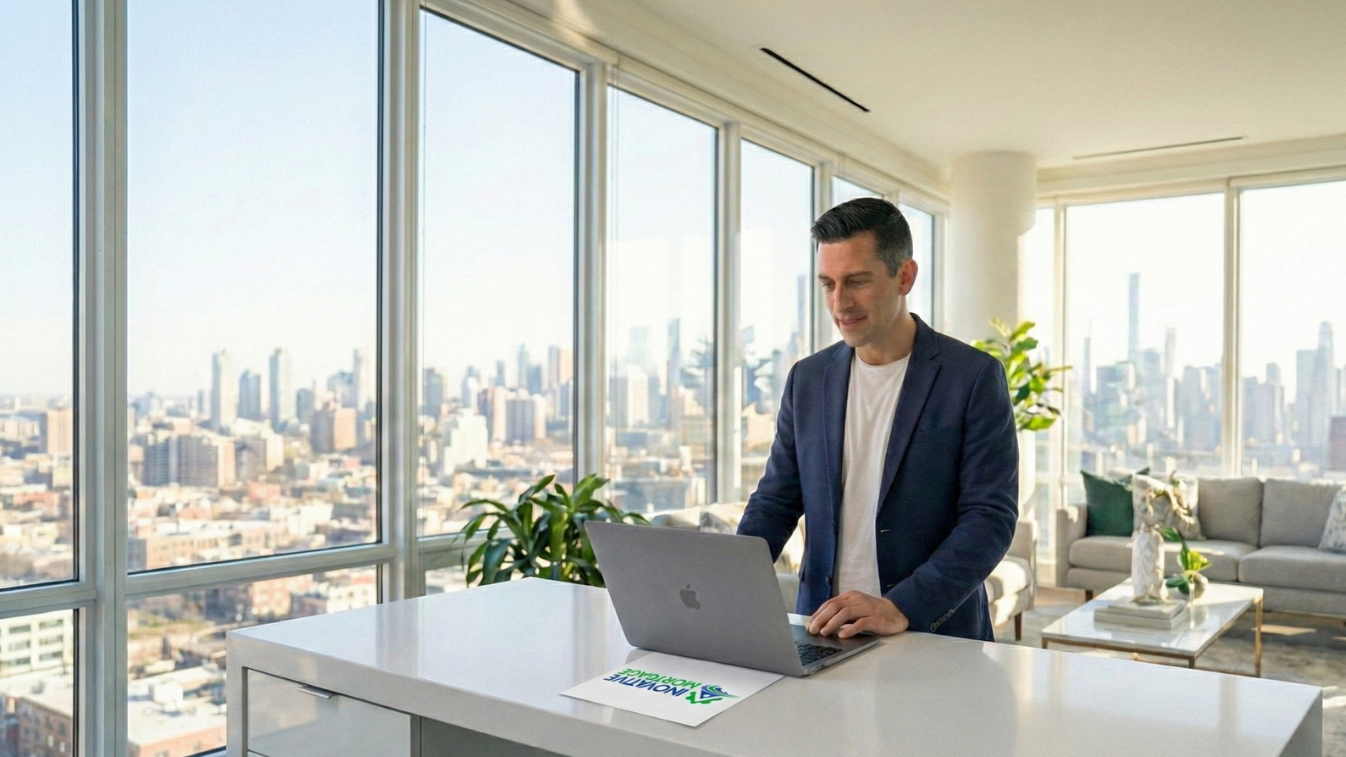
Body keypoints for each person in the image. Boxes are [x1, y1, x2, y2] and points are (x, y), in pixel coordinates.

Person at [737, 197, 1018, 642]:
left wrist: (900, 607)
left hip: (930, 634)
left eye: (857, 281)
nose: (839, 302)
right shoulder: (807, 379)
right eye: (827, 283)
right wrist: (725, 583)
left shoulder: (973, 377)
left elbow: (989, 518)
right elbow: (776, 500)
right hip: (822, 630)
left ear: (904, 276)